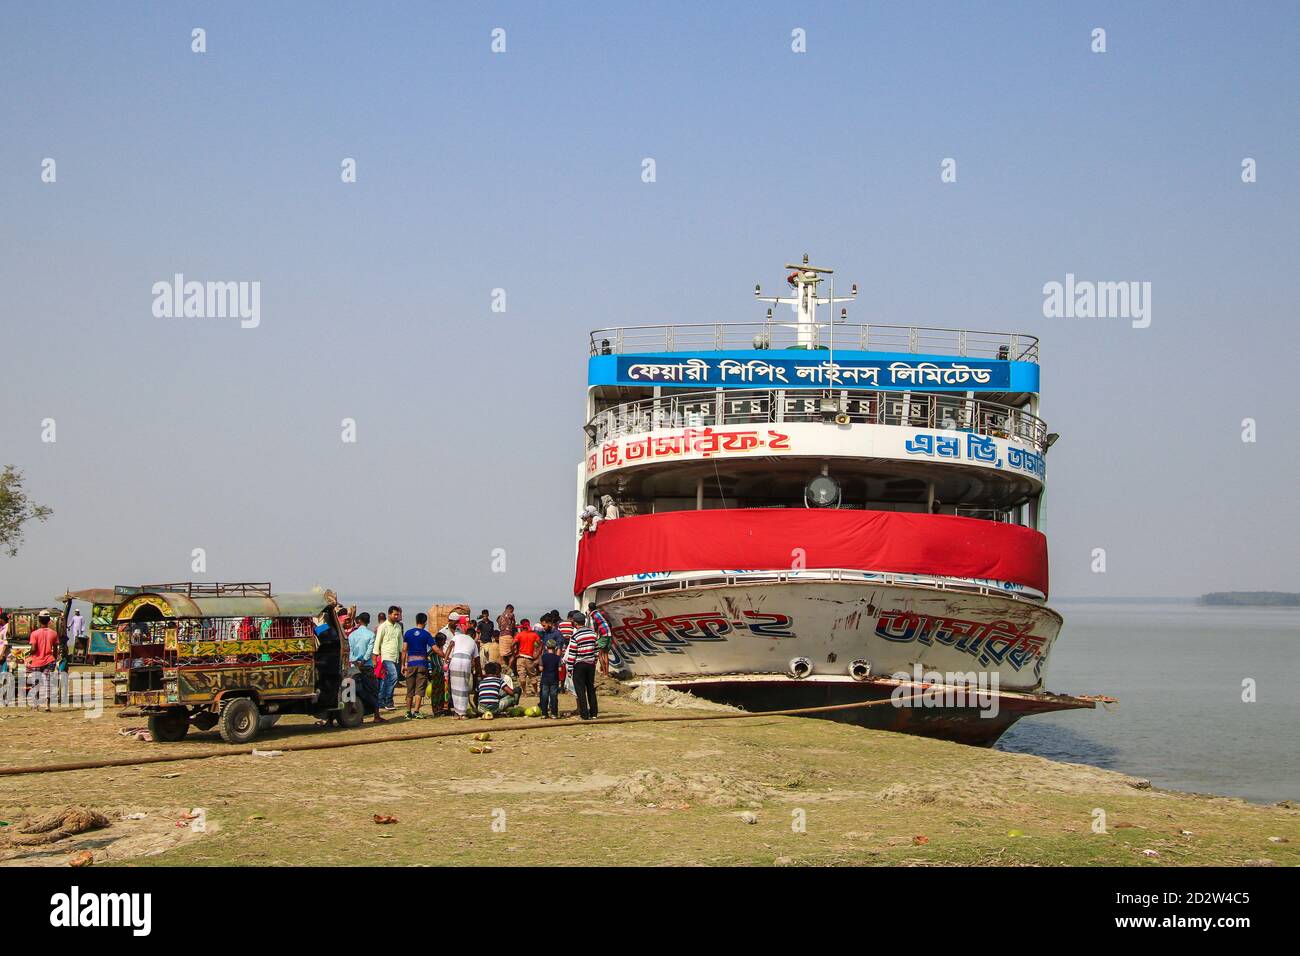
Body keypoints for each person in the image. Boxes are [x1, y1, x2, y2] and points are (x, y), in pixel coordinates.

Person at [346, 611, 384, 723]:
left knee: (357, 690)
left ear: (359, 621)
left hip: (354, 666)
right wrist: (363, 661)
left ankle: (360, 716)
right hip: (366, 666)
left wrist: (355, 661)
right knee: (373, 690)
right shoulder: (371, 634)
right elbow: (370, 650)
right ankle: (376, 716)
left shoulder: (352, 635)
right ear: (368, 621)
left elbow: (351, 650)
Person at [562, 611, 599, 720]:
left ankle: (584, 714)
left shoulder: (575, 636)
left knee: (580, 690)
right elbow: (596, 650)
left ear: (576, 623)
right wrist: (594, 660)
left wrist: (569, 668)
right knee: (590, 688)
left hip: (579, 664)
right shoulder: (593, 634)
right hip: (591, 664)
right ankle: (594, 713)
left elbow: (572, 654)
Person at [402, 612, 436, 719]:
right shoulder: (426, 634)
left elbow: (404, 650)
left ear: (416, 620)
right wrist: (444, 655)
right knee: (419, 689)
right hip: (422, 664)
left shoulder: (408, 633)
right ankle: (416, 711)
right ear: (425, 622)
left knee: (410, 689)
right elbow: (434, 648)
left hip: (411, 663)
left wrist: (403, 665)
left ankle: (408, 712)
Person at [26, 612, 60, 711]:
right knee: (47, 682)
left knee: (36, 683)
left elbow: (33, 648)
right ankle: (47, 705)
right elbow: (55, 649)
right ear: (49, 620)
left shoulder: (34, 634)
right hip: (50, 660)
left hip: (37, 661)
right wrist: (54, 659)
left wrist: (29, 654)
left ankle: (35, 705)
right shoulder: (54, 633)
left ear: (39, 620)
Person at [447, 616, 479, 719]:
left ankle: (457, 712)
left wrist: (445, 659)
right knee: (464, 687)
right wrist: (479, 674)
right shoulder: (473, 642)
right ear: (473, 635)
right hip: (465, 662)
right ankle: (463, 713)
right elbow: (477, 660)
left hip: (455, 661)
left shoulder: (457, 636)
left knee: (455, 688)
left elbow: (450, 646)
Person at [373, 606, 403, 711]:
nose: (396, 616)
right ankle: (388, 701)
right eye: (394, 614)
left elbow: (400, 645)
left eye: (397, 614)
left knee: (388, 679)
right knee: (393, 676)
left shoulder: (398, 627)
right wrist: (375, 657)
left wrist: (402, 659)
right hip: (386, 656)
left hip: (395, 657)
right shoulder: (383, 626)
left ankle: (381, 700)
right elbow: (377, 642)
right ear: (389, 614)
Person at [513, 618, 541, 696]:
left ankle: (524, 693)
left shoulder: (519, 635)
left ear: (522, 627)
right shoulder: (534, 634)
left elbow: (512, 645)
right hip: (529, 658)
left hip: (520, 657)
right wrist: (537, 654)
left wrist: (514, 653)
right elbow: (540, 645)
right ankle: (536, 692)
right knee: (532, 676)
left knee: (522, 676)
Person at [538, 638, 561, 718]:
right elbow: (560, 669)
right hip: (554, 679)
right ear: (555, 648)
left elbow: (540, 669)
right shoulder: (558, 658)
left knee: (544, 696)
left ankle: (544, 713)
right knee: (554, 696)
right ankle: (554, 713)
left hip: (545, 679)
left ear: (546, 647)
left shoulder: (542, 657)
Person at [588, 602, 613, 676]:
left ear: (589, 608)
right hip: (609, 633)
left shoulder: (593, 615)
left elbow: (595, 627)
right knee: (606, 654)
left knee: (600, 654)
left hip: (603, 634)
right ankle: (607, 673)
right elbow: (609, 623)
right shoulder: (601, 613)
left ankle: (604, 673)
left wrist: (595, 635)